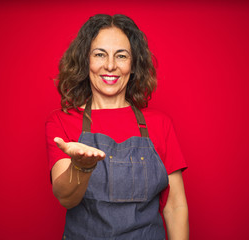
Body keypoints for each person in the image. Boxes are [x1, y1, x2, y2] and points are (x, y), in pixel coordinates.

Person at [46, 14, 189, 240]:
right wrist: (81, 167)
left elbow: (175, 206)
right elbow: (66, 198)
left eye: (121, 56)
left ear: (133, 65)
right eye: (100, 54)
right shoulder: (62, 122)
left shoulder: (160, 124)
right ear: (86, 61)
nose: (110, 65)